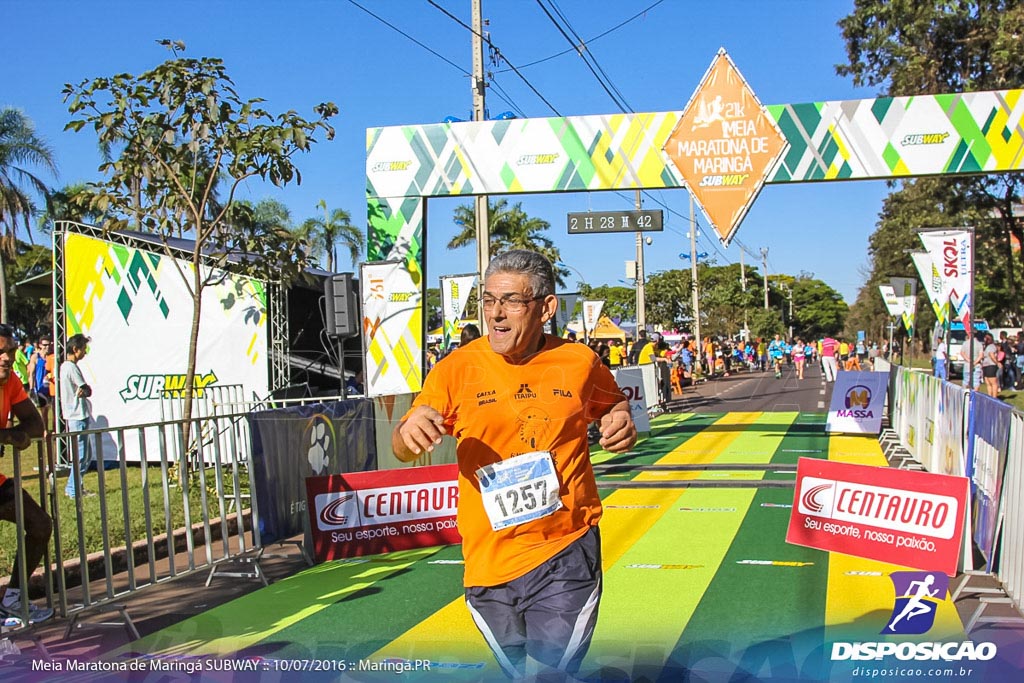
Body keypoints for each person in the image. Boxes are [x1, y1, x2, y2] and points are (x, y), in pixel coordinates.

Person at [392, 250, 636, 680]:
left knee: (547, 674)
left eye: (511, 301)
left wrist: (619, 418)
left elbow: (612, 404)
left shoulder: (580, 362)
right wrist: (409, 435)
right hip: (488, 562)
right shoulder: (456, 369)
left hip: (565, 550)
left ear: (546, 307)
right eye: (488, 301)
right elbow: (403, 443)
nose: (496, 314)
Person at [0, 326, 53, 623]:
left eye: (10, 351)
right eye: (0, 352)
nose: (6, 358)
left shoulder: (10, 383)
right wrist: (8, 436)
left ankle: (13, 599)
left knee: (40, 524)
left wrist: (11, 435)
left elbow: (34, 424)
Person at [60, 334, 95, 499]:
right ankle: (73, 489)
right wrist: (86, 390)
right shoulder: (70, 367)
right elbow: (85, 389)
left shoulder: (65, 367)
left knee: (84, 456)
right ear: (75, 349)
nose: (85, 353)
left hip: (76, 415)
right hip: (77, 415)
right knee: (81, 456)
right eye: (84, 349)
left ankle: (76, 487)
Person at [981, 332, 1000, 398]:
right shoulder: (986, 347)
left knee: (993, 382)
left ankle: (994, 397)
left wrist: (997, 363)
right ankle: (990, 396)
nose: (984, 339)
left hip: (991, 365)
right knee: (988, 382)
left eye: (986, 338)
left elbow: (991, 355)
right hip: (985, 365)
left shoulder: (991, 346)